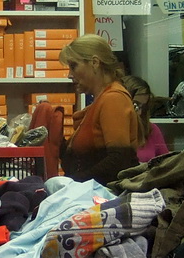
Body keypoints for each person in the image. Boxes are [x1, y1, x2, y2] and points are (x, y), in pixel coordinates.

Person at [57, 34, 139, 185]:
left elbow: (119, 161)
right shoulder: (102, 100)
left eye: (73, 66)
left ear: (95, 62)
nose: (69, 74)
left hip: (105, 197)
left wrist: (76, 182)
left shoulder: (113, 99)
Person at [125, 75, 170, 163]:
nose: (140, 112)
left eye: (144, 107)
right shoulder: (111, 129)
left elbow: (166, 164)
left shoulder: (151, 129)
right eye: (135, 105)